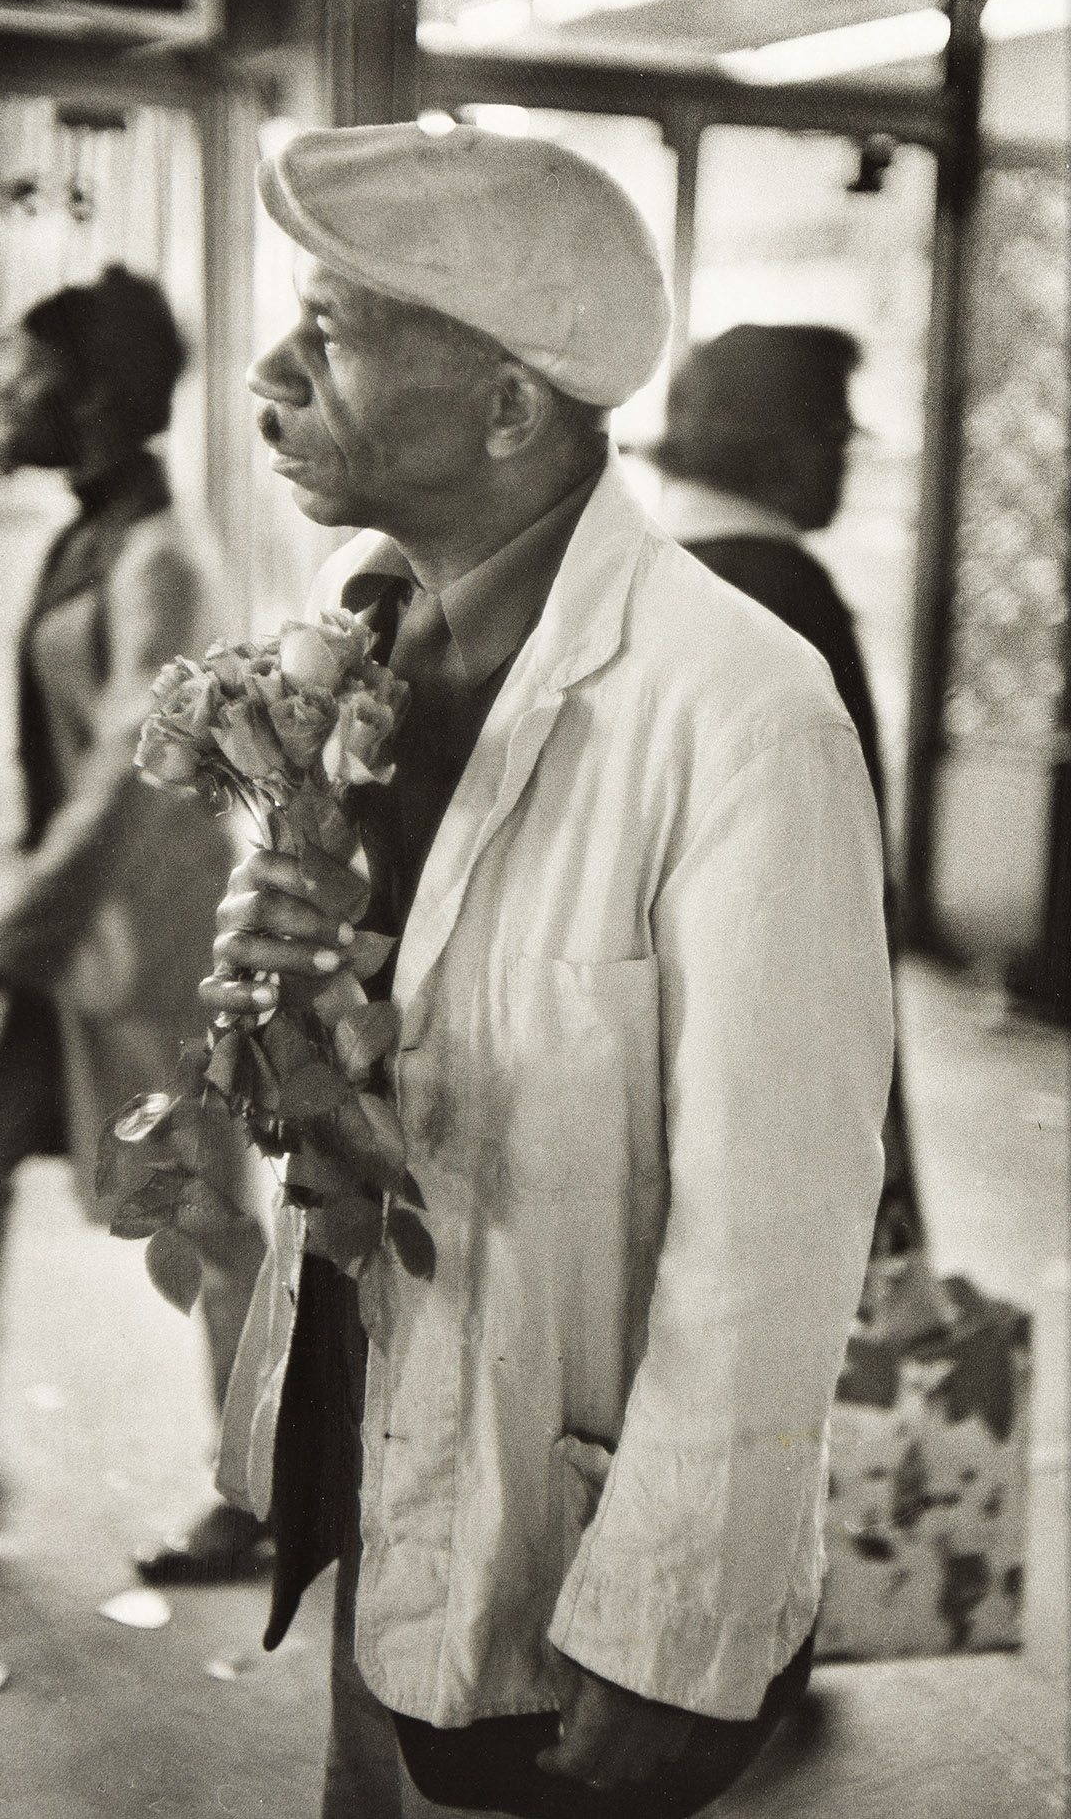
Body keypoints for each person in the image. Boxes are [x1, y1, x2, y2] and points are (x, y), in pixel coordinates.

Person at [209, 124, 894, 1818]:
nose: (270, 373)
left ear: (513, 407)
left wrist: (678, 1618)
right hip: (370, 1419)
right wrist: (275, 974)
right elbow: (388, 1021)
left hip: (568, 1510)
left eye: (334, 334)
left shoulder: (739, 709)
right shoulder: (354, 616)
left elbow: (777, 1226)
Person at [0, 266, 268, 1584]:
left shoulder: (166, 556)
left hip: (156, 944)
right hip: (74, 951)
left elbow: (119, 793)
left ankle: (262, 1488)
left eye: (20, 371)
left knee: (208, 1219)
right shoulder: (96, 534)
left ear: (90, 394)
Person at [652, 323, 921, 1256]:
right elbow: (848, 884)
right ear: (779, 442)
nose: (843, 462)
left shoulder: (636, 569)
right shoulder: (788, 591)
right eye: (835, 435)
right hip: (782, 1046)